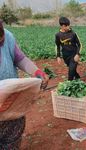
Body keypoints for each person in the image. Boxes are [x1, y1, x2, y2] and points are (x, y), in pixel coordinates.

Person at [0, 20, 49, 149]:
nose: (1, 42)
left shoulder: (7, 36)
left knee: (11, 141)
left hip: (12, 107)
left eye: (1, 38)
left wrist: (36, 71)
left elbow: (19, 58)